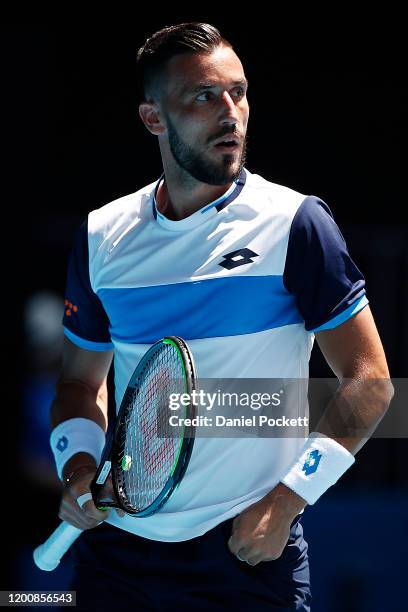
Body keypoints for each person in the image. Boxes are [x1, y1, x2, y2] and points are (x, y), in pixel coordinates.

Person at [50, 22, 393, 611]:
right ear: (153, 119)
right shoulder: (100, 236)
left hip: (247, 556)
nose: (230, 112)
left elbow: (371, 384)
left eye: (238, 92)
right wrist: (78, 468)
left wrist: (287, 501)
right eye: (204, 96)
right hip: (117, 559)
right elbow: (81, 384)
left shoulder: (297, 224)